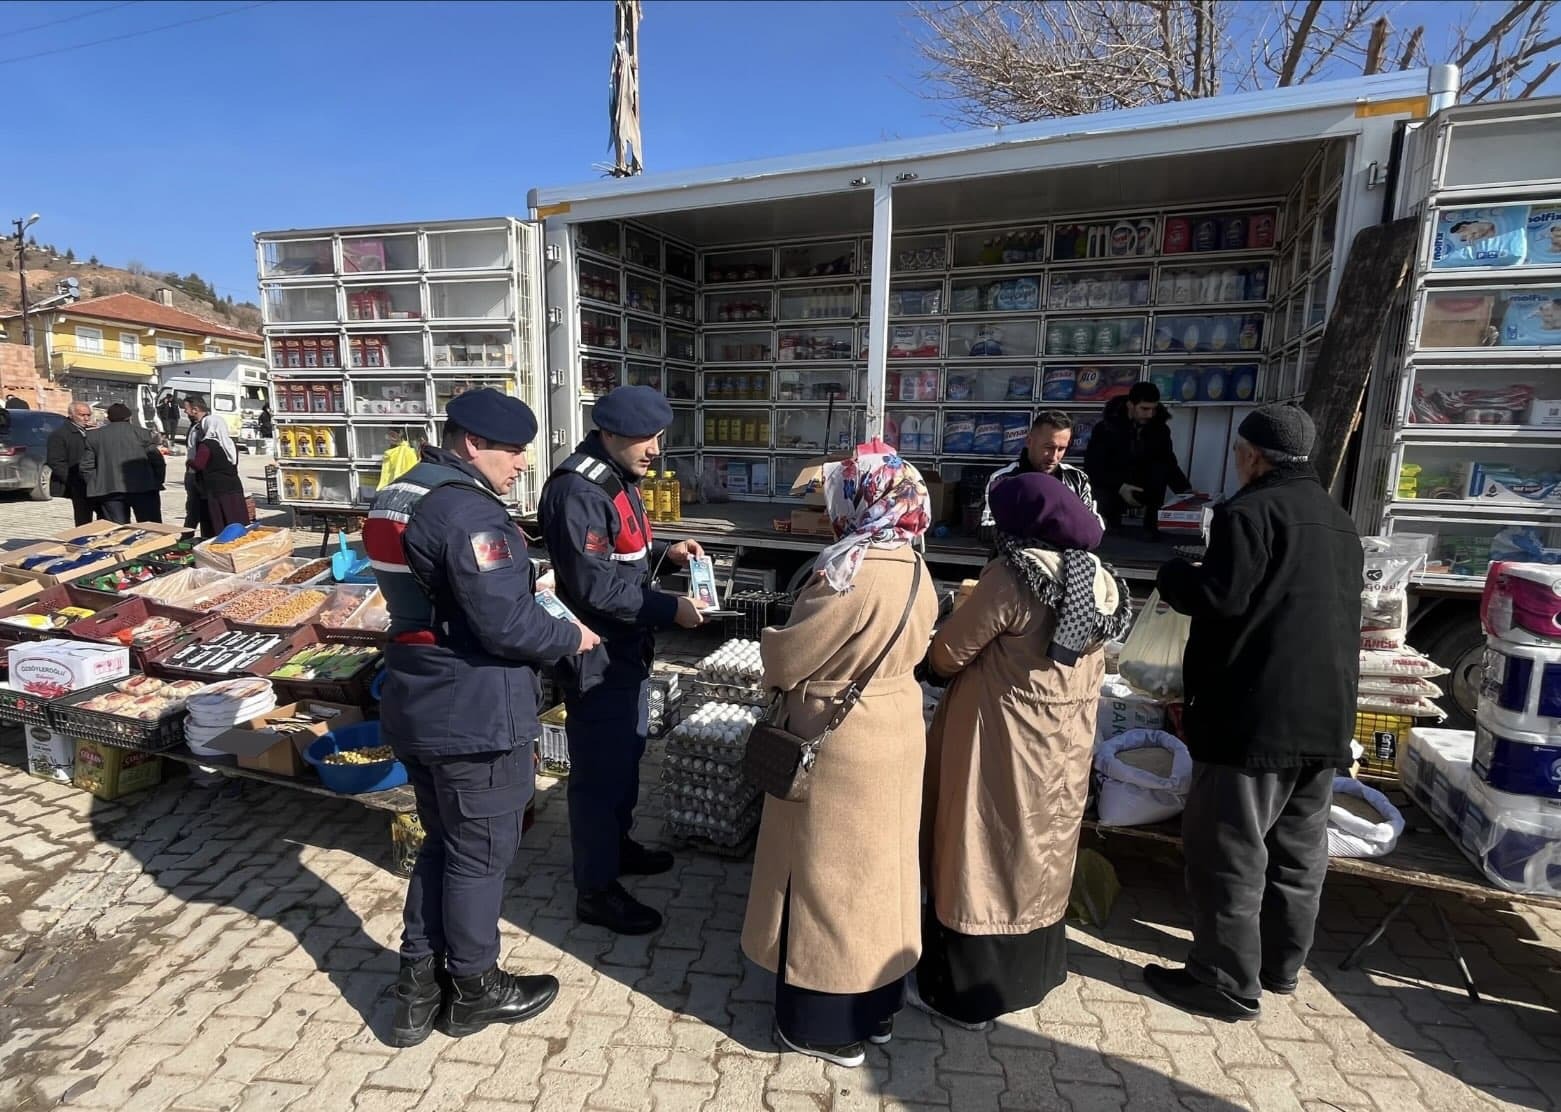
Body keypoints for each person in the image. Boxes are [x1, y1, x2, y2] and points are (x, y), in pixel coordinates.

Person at [365, 388, 600, 1047]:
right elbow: (504, 623)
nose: (522, 463)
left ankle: (417, 990)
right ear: (472, 444)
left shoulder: (402, 490)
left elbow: (442, 592)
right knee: (481, 856)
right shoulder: (468, 510)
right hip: (471, 709)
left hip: (417, 692)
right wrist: (568, 638)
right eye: (512, 451)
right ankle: (474, 990)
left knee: (444, 843)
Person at [1143, 404, 1363, 1022]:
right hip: (1325, 719)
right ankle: (1280, 967)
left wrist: (1172, 575)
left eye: (1240, 452)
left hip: (1254, 716)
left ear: (1253, 456)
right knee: (1298, 850)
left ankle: (1223, 982)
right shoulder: (1338, 521)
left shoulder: (1248, 513)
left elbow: (1220, 597)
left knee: (1228, 850)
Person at [741, 445, 939, 1068]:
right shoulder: (913, 563)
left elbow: (791, 657)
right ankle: (878, 1008)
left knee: (826, 881)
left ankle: (820, 1026)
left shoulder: (847, 570)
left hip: (839, 739)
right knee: (882, 877)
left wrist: (770, 640)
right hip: (897, 729)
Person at [916, 472, 1132, 1030]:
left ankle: (966, 996)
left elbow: (949, 653)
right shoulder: (1100, 579)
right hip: (1064, 745)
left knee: (984, 846)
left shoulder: (1015, 577)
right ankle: (1033, 975)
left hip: (1001, 741)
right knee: (1044, 846)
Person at [539, 385, 708, 935]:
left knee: (628, 755)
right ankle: (595, 888)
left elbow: (624, 554)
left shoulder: (618, 476)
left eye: (659, 436)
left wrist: (668, 553)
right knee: (598, 773)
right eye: (645, 438)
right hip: (597, 652)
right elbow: (594, 589)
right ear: (608, 433)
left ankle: (618, 846)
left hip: (627, 649)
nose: (656, 448)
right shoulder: (577, 490)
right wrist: (672, 610)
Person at [1083, 382, 1191, 540]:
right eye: (1145, 409)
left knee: (1160, 470)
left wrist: (1186, 492)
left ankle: (1151, 528)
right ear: (1130, 405)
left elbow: (1168, 462)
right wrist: (1120, 486)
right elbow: (1093, 466)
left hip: (1143, 484)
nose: (1150, 414)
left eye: (1153, 409)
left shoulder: (1159, 429)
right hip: (1114, 485)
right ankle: (1111, 527)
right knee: (1101, 491)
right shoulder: (1105, 428)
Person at [980, 410, 1102, 537]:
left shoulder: (1077, 479)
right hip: (1016, 554)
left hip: (1067, 555)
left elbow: (1094, 529)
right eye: (1048, 447)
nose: (1054, 457)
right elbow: (987, 529)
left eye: (1061, 449)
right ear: (1029, 441)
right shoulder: (1002, 479)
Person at [82, 403, 165, 523]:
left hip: (109, 489)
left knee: (117, 530)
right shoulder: (142, 433)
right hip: (144, 488)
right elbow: (157, 461)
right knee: (150, 528)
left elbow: (86, 467)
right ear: (129, 417)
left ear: (108, 418)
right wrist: (157, 480)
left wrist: (96, 484)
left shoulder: (94, 436)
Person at [184, 396, 246, 535]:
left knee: (217, 521)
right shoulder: (229, 444)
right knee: (234, 519)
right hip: (233, 487)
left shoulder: (206, 445)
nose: (184, 411)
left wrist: (189, 463)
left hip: (215, 489)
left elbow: (199, 465)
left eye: (186, 408)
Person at [45, 402, 96, 526]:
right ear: (71, 415)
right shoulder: (60, 434)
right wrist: (72, 480)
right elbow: (55, 461)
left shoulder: (91, 431)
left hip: (95, 480)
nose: (86, 418)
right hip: (77, 482)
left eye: (88, 415)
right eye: (82, 415)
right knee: (83, 518)